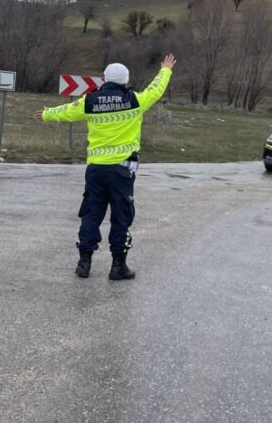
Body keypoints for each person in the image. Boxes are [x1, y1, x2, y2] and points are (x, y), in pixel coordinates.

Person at [35, 54, 176, 280]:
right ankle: (118, 266)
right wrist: (165, 70)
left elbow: (67, 111)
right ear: (125, 79)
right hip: (122, 170)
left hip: (96, 170)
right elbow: (155, 90)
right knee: (121, 217)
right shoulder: (135, 100)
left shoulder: (90, 101)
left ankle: (84, 263)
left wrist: (46, 114)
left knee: (91, 214)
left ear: (104, 79)